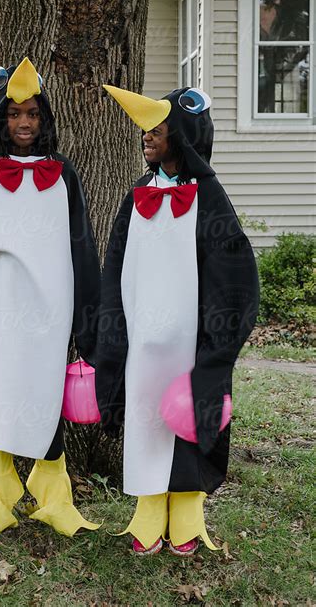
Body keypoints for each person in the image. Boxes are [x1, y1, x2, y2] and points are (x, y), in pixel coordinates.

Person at [95, 85, 259, 555]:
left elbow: (234, 278)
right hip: (143, 339)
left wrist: (217, 344)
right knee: (146, 417)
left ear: (183, 134)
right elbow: (116, 265)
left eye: (157, 127)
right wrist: (113, 328)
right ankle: (148, 508)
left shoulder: (209, 198)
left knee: (189, 417)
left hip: (191, 339)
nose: (146, 135)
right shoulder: (136, 197)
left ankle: (187, 508)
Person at [0, 57, 101, 547]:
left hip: (52, 307)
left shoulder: (65, 175)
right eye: (14, 114)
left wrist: (86, 318)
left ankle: (54, 496)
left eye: (33, 113)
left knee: (43, 394)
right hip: (1, 306)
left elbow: (82, 246)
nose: (25, 123)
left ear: (44, 117)